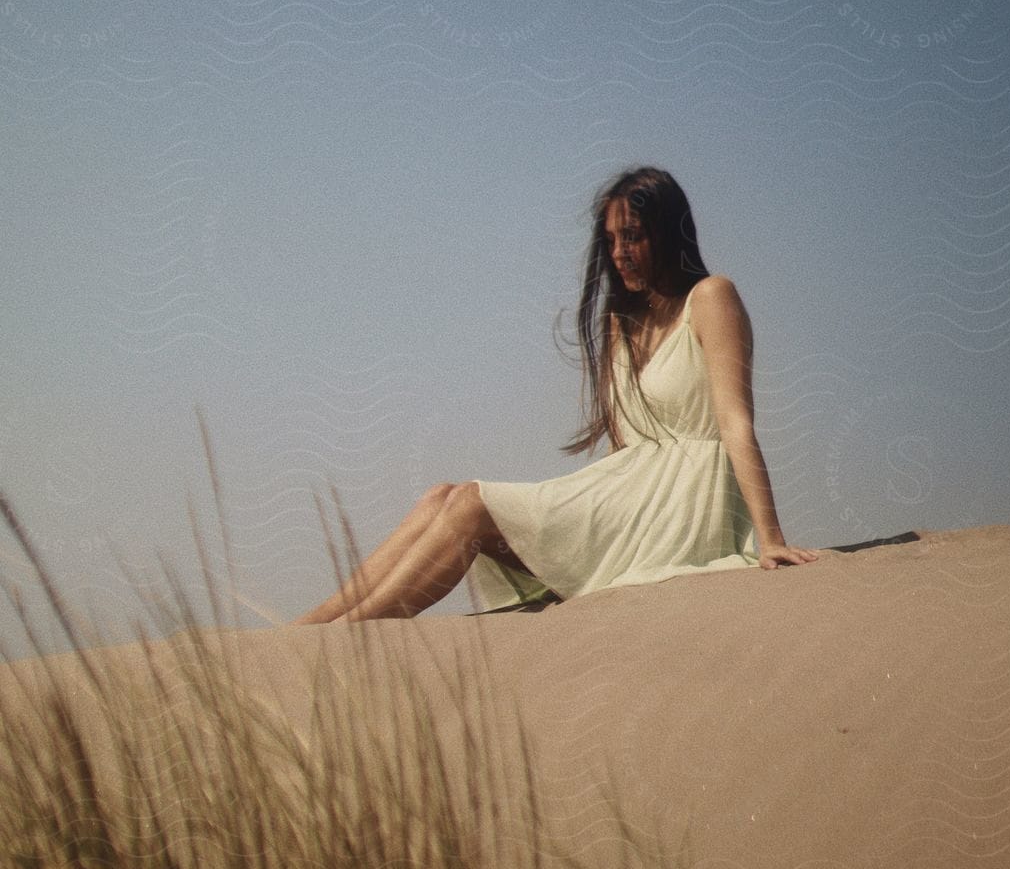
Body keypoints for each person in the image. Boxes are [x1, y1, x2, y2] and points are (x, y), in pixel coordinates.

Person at [291, 166, 819, 625]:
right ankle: (308, 630)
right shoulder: (622, 325)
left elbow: (735, 422)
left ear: (666, 232)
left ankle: (347, 638)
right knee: (440, 496)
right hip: (631, 499)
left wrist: (769, 537)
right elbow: (625, 449)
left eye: (632, 236)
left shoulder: (712, 297)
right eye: (611, 241)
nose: (619, 254)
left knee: (472, 505)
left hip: (684, 511)